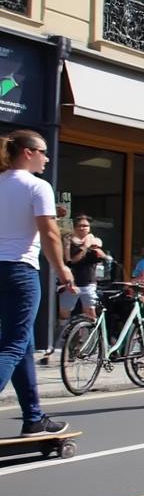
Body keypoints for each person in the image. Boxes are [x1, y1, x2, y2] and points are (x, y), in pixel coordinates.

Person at [0, 129, 73, 435]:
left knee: (24, 344)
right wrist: (61, 268)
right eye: (42, 152)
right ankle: (32, 416)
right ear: (27, 152)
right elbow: (50, 233)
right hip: (20, 271)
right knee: (14, 344)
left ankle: (33, 417)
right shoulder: (37, 186)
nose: (46, 158)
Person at [60, 216, 104, 322]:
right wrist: (85, 246)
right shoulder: (69, 242)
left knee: (90, 313)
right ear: (75, 228)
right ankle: (64, 336)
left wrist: (98, 250)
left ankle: (89, 337)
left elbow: (103, 258)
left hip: (89, 283)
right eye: (80, 226)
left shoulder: (94, 241)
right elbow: (71, 261)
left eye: (86, 226)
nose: (83, 228)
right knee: (64, 313)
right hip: (71, 283)